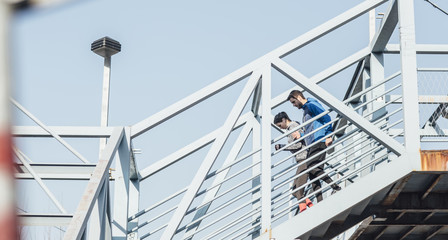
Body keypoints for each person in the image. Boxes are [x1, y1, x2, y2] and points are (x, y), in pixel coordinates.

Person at [287, 90, 341, 203]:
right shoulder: (305, 111)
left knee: (312, 167)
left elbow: (326, 117)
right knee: (312, 172)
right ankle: (320, 201)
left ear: (298, 97)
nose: (293, 105)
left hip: (319, 139)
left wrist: (328, 135)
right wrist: (300, 135)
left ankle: (336, 187)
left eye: (293, 102)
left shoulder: (311, 104)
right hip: (312, 142)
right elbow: (309, 130)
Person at [274, 112, 313, 214]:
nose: (281, 128)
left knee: (298, 188)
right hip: (300, 159)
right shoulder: (290, 128)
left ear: (283, 119)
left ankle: (303, 208)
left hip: (304, 157)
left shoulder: (293, 127)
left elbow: (298, 145)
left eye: (279, 125)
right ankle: (307, 201)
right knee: (295, 189)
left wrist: (282, 147)